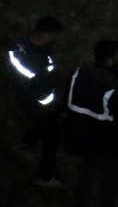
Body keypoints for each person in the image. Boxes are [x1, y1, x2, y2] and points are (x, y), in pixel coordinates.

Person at [64, 38, 118, 207]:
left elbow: (67, 102)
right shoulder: (116, 89)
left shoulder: (79, 72)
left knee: (86, 173)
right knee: (108, 180)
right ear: (110, 60)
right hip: (106, 142)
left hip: (82, 136)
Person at [7, 14, 64, 187]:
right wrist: (50, 102)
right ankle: (46, 175)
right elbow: (40, 87)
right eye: (54, 35)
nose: (56, 39)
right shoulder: (38, 62)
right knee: (51, 133)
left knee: (42, 121)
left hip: (26, 93)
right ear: (44, 34)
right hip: (34, 100)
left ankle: (25, 144)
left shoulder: (21, 42)